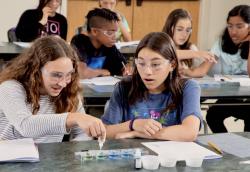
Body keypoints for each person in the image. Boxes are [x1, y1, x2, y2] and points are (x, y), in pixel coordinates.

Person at [0, 36, 106, 143]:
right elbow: (25, 126)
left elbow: (82, 132)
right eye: (56, 75)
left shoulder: (69, 91)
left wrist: (72, 150)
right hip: (11, 157)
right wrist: (72, 118)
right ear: (35, 70)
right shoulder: (10, 88)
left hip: (49, 159)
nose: (63, 83)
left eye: (69, 74)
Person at [102, 32, 202, 141]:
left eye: (155, 65)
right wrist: (132, 124)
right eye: (141, 63)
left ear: (172, 65)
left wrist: (136, 133)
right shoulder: (124, 87)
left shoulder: (188, 87)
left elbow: (190, 132)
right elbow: (105, 131)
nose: (147, 71)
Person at [206, 5, 250, 133]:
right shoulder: (222, 41)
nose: (233, 31)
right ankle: (226, 146)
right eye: (230, 26)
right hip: (233, 95)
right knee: (213, 115)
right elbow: (203, 68)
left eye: (239, 26)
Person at [71, 8, 129, 79]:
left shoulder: (109, 45)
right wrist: (102, 71)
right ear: (94, 31)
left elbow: (124, 66)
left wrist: (126, 70)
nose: (114, 37)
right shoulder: (79, 41)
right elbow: (81, 73)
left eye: (115, 32)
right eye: (110, 33)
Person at [162, 9, 216, 77]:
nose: (184, 35)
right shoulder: (160, 44)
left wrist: (209, 60)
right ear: (170, 28)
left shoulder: (191, 48)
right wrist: (197, 53)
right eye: (179, 29)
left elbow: (199, 73)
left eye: (188, 30)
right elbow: (168, 53)